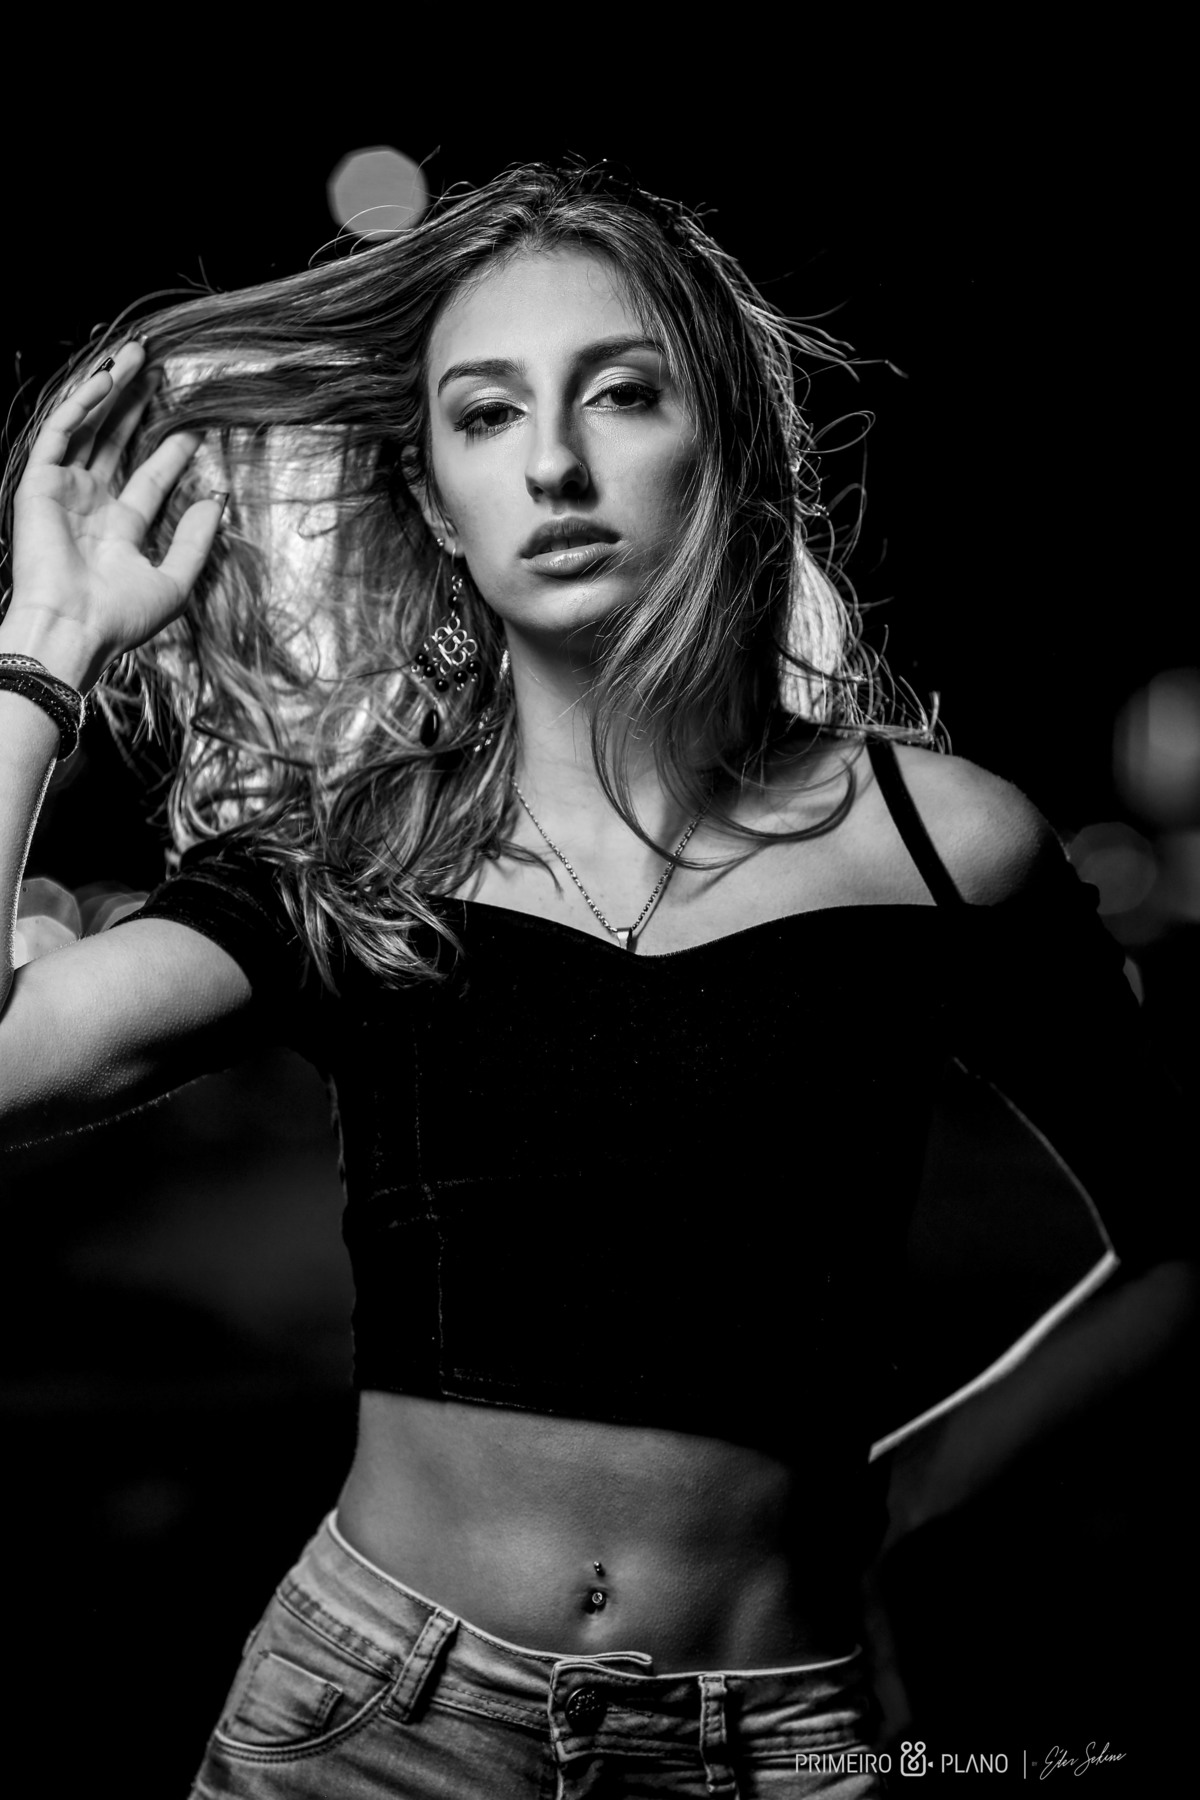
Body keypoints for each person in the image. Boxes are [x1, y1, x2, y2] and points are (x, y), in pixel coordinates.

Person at [0, 160, 1192, 1799]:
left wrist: (911, 1495)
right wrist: (45, 646)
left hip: (787, 1740)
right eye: (486, 416)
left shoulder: (943, 846)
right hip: (380, 1727)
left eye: (621, 394)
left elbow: (1186, 1234)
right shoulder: (362, 853)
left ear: (728, 444)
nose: (553, 463)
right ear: (438, 502)